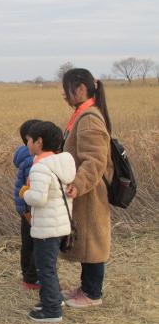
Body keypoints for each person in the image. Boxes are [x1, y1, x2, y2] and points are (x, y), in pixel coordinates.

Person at [59, 68, 113, 308]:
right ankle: (86, 287)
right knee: (86, 240)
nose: (63, 95)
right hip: (83, 190)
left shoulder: (89, 117)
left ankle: (92, 294)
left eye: (66, 89)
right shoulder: (84, 114)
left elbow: (94, 160)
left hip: (89, 192)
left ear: (80, 89)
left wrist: (78, 185)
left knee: (93, 241)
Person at [19, 121, 76, 322]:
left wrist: (25, 193)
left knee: (45, 268)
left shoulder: (40, 168)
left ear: (39, 142)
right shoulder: (62, 164)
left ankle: (52, 310)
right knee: (49, 266)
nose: (27, 144)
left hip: (47, 227)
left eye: (28, 141)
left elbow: (39, 198)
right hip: (60, 225)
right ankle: (51, 299)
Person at [13, 119, 42, 290]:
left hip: (25, 208)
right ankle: (32, 278)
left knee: (28, 243)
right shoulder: (33, 161)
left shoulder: (24, 157)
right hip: (32, 208)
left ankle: (28, 277)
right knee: (37, 244)